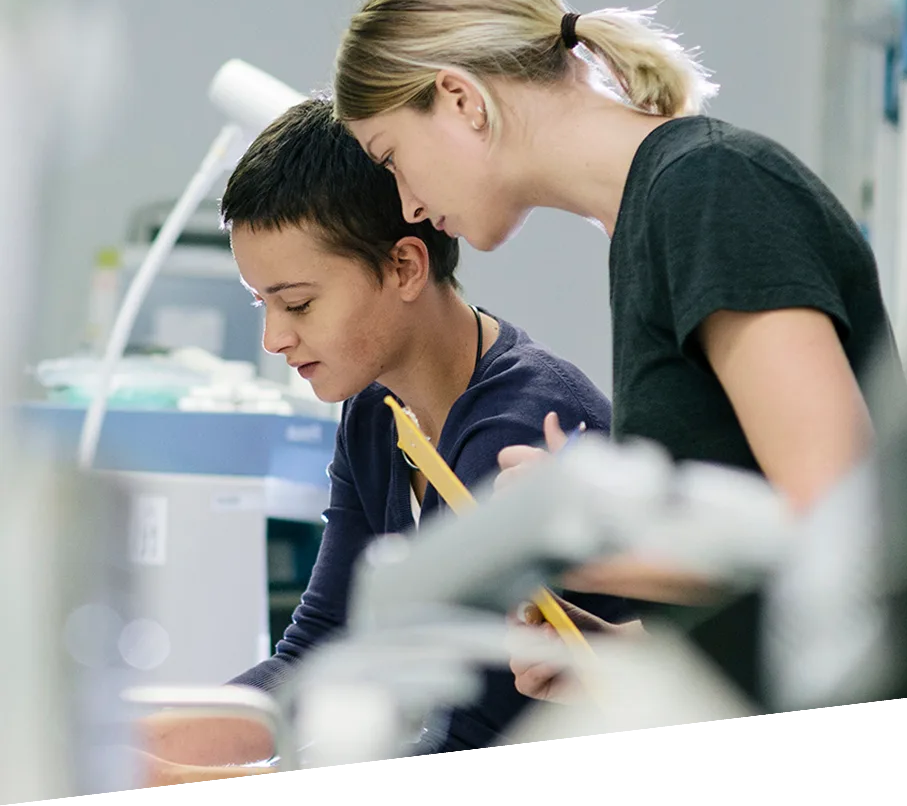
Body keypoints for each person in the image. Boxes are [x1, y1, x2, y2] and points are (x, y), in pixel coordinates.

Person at [332, 0, 902, 704]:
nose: (407, 206)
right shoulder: (645, 221)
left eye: (392, 157)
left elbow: (848, 536)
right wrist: (613, 652)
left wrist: (592, 533)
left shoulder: (707, 190)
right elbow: (764, 573)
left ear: (461, 100)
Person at [135, 95, 631, 781]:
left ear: (404, 266)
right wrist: (131, 746)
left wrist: (183, 777)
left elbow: (469, 734)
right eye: (263, 304)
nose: (275, 338)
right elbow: (319, 651)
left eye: (298, 303)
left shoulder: (517, 431)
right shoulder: (380, 411)